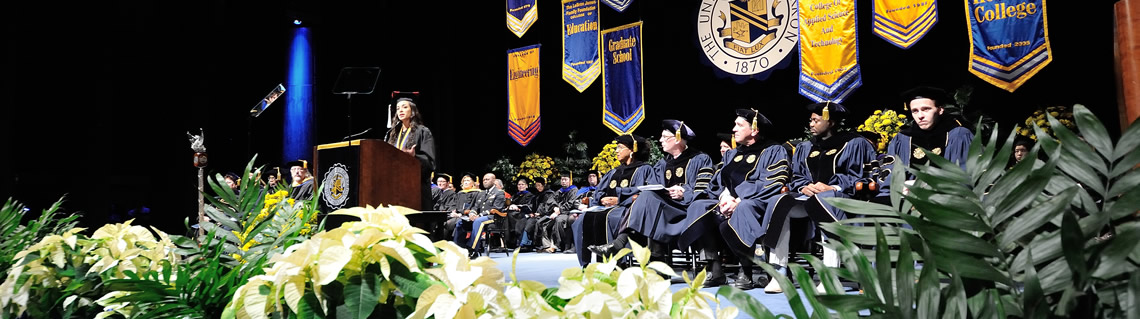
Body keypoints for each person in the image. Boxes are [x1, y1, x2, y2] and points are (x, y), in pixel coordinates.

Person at [760, 102, 876, 293]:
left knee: (823, 201)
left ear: (830, 122)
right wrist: (804, 186)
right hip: (808, 197)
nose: (811, 124)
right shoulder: (806, 147)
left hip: (840, 197)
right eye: (810, 120)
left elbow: (859, 176)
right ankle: (779, 272)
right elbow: (796, 175)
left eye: (816, 120)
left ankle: (830, 276)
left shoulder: (854, 143)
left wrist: (832, 186)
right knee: (778, 202)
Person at [675, 109, 791, 289]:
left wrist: (737, 199)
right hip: (728, 201)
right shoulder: (732, 154)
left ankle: (746, 270)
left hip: (759, 201)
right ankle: (714, 268)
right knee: (699, 206)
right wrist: (724, 196)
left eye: (739, 125)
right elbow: (716, 182)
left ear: (754, 130)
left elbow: (773, 181)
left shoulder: (773, 150)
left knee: (744, 207)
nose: (733, 129)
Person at [610, 120, 715, 264]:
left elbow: (705, 187)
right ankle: (652, 259)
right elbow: (653, 187)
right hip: (665, 209)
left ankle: (623, 244)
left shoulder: (701, 159)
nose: (660, 141)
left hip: (686, 209)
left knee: (652, 207)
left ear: (677, 139)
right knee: (648, 198)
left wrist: (684, 192)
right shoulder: (662, 164)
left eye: (665, 137)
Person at [875, 87, 973, 199]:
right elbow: (891, 178)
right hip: (906, 200)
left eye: (926, 109)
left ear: (940, 110)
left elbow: (964, 177)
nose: (920, 116)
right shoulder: (902, 139)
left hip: (947, 202)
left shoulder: (958, 135)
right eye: (915, 111)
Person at [576, 134, 656, 265]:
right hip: (605, 207)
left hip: (628, 209)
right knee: (584, 218)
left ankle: (616, 263)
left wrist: (620, 200)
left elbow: (646, 193)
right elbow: (599, 191)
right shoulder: (613, 172)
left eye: (620, 147)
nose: (616, 151)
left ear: (632, 150)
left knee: (611, 218)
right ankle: (587, 264)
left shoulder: (645, 169)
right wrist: (602, 199)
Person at [385, 97, 437, 209]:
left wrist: (414, 157)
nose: (400, 110)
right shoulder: (393, 134)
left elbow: (430, 163)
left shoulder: (423, 131)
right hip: (394, 186)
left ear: (412, 111)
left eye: (404, 107)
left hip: (415, 187)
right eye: (398, 108)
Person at [454, 172, 506, 257]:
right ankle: (458, 248)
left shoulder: (499, 193)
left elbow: (497, 208)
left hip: (493, 217)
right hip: (479, 217)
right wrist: (472, 213)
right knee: (460, 222)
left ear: (493, 181)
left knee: (478, 221)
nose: (485, 181)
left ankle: (472, 249)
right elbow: (475, 206)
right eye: (484, 180)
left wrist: (480, 215)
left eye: (487, 179)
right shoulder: (481, 193)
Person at [536, 172, 580, 253]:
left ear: (570, 181)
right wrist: (555, 207)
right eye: (562, 179)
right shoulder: (559, 191)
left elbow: (570, 204)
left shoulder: (574, 190)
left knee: (558, 221)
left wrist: (558, 211)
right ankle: (547, 245)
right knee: (542, 221)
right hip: (557, 212)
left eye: (565, 180)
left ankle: (558, 245)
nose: (563, 181)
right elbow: (551, 200)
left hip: (567, 212)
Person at [445, 173, 482, 240]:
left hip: (469, 216)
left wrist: (462, 213)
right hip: (457, 215)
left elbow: (476, 206)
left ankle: (457, 243)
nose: (466, 182)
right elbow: (453, 204)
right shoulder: (459, 193)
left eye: (468, 180)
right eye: (464, 181)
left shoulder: (477, 193)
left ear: (473, 183)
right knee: (444, 221)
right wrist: (453, 212)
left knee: (453, 223)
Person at [508, 177, 537, 247]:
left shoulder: (530, 195)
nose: (520, 186)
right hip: (513, 214)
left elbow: (529, 207)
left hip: (524, 214)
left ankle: (520, 241)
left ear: (526, 186)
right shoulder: (515, 195)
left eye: (522, 184)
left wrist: (518, 208)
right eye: (519, 184)